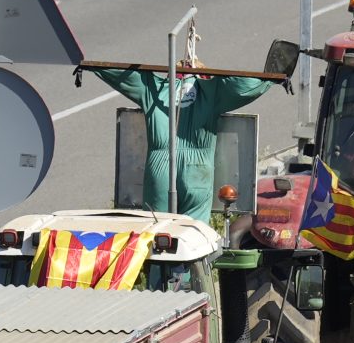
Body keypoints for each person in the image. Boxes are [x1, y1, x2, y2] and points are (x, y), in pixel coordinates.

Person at [85, 56, 273, 220]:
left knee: (157, 234)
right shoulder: (212, 92)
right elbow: (244, 86)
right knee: (194, 238)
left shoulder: (154, 89)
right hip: (198, 171)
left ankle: (159, 263)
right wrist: (269, 81)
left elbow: (122, 75)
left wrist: (93, 68)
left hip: (160, 169)